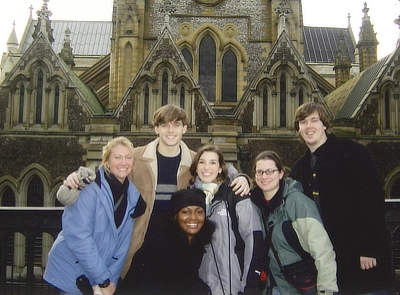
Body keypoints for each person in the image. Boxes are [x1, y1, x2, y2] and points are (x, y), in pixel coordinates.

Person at [60, 104, 250, 282]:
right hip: (139, 249)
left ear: (184, 128)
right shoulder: (136, 157)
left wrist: (241, 177)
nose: (170, 130)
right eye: (164, 125)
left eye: (176, 125)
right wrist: (77, 179)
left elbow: (219, 169)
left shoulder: (194, 160)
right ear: (156, 128)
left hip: (180, 251)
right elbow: (105, 175)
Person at [290, 102, 390, 294]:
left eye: (314, 120)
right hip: (327, 263)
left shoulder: (351, 152)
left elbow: (373, 200)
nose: (309, 126)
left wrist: (369, 247)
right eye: (303, 122)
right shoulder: (300, 167)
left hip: (360, 259)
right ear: (298, 129)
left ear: (325, 125)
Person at [44, 137, 142, 295]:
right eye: (117, 157)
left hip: (100, 276)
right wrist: (103, 280)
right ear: (107, 162)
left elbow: (122, 248)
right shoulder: (88, 188)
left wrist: (110, 283)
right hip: (72, 271)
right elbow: (78, 237)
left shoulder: (133, 196)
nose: (123, 162)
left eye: (128, 157)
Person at [251, 150, 338, 295]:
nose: (264, 176)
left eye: (270, 171)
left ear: (280, 174)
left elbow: (323, 251)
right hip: (273, 287)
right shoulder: (255, 205)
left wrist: (327, 290)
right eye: (259, 172)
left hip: (300, 286)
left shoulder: (298, 203)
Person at [189, 145, 261, 295]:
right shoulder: (189, 198)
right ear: (196, 167)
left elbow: (253, 239)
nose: (206, 167)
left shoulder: (236, 194)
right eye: (202, 162)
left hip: (233, 285)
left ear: (221, 168)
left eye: (213, 162)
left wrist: (249, 285)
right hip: (201, 285)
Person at [118, 188, 215, 295]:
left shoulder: (196, 244)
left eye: (199, 212)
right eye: (186, 212)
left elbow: (187, 280)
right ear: (175, 216)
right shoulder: (158, 244)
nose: (193, 218)